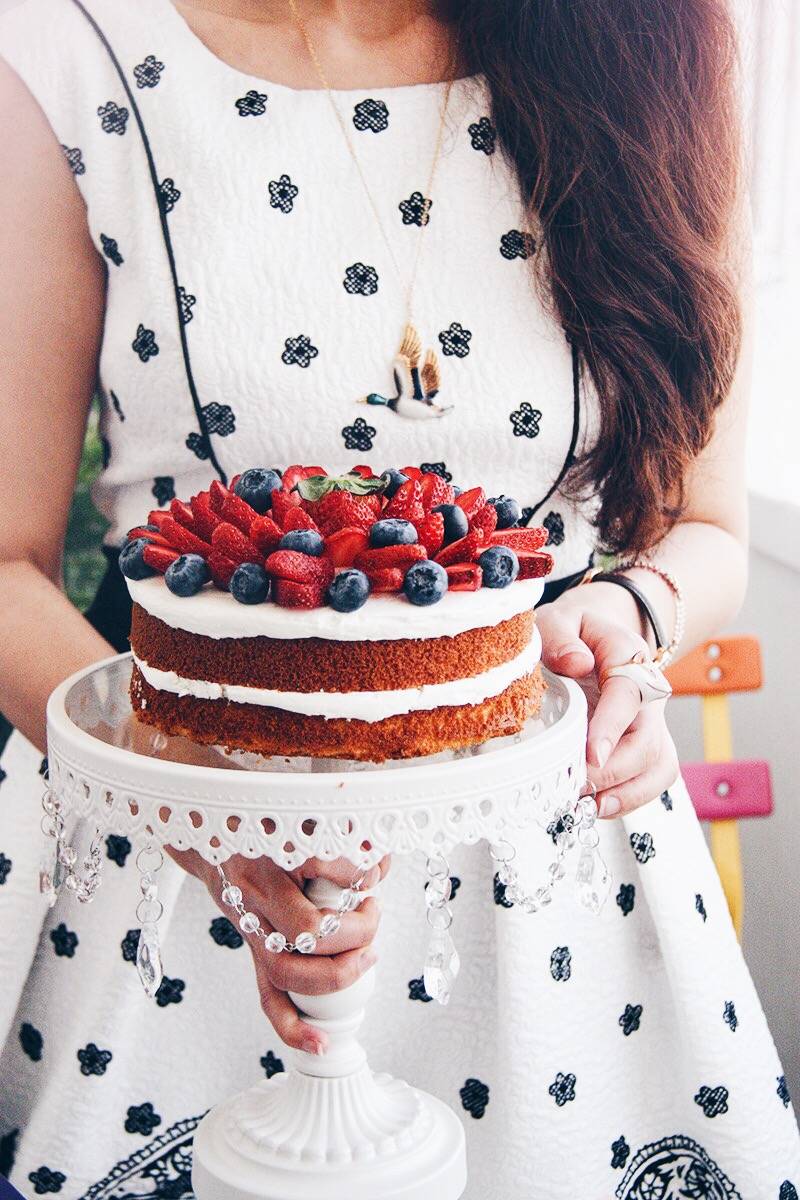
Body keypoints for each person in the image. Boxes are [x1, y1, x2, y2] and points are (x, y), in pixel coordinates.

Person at [0, 0, 797, 1196]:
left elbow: (710, 527)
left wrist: (634, 616)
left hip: (549, 873)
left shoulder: (656, 49)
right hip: (179, 861)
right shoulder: (70, 56)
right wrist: (201, 822)